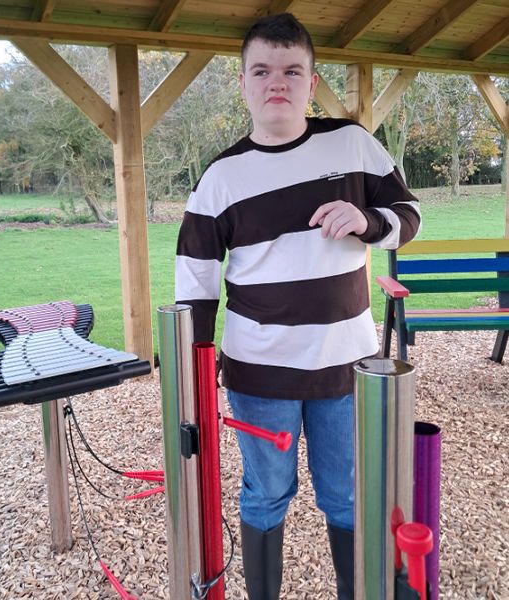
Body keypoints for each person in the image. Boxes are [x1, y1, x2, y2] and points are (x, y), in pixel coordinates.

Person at [175, 12, 421, 600]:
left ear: (311, 82)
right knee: (266, 494)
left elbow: (409, 216)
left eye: (291, 70)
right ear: (243, 83)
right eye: (261, 70)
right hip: (260, 371)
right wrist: (195, 366)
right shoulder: (220, 177)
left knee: (346, 493)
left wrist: (368, 221)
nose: (276, 82)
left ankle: (357, 591)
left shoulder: (354, 143)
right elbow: (196, 281)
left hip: (345, 366)